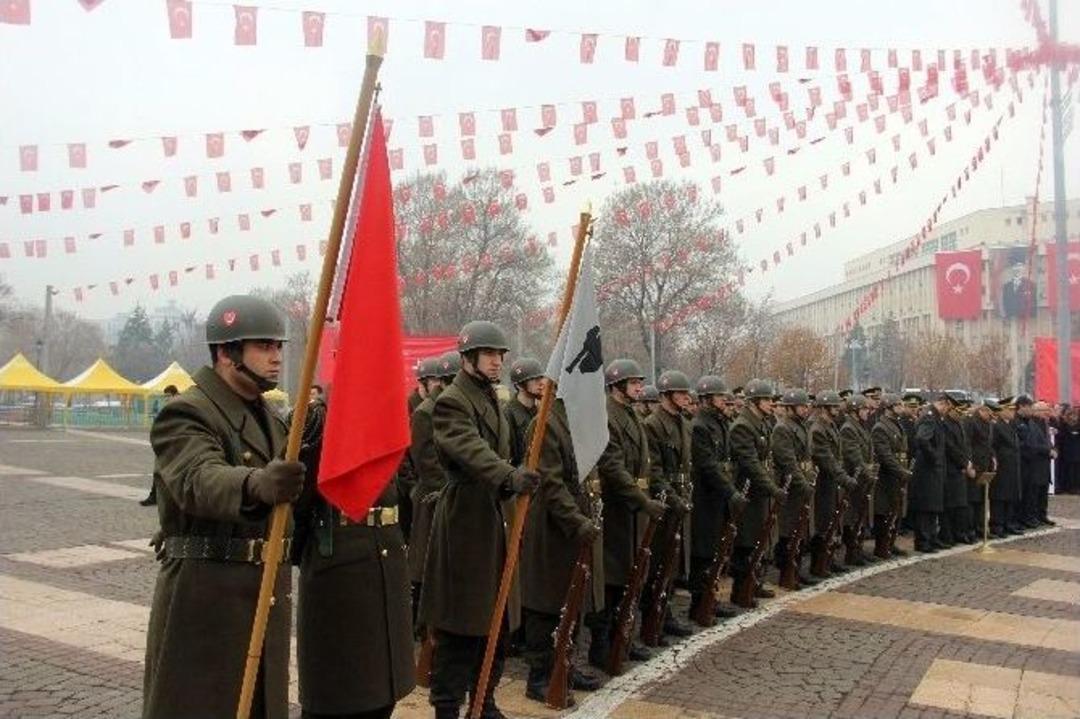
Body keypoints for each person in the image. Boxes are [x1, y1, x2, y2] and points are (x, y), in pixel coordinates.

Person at [143, 295, 303, 719]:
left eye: (278, 346)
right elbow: (197, 478)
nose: (276, 357)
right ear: (227, 353)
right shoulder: (187, 412)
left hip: (262, 594)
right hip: (207, 596)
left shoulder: (271, 416)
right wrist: (257, 483)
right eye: (264, 347)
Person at [419, 321, 539, 719]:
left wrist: (521, 473)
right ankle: (448, 707)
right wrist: (508, 475)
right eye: (489, 354)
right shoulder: (452, 400)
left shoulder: (493, 400)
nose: (496, 361)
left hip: (496, 517)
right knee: (460, 623)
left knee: (497, 617)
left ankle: (485, 700)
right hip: (465, 521)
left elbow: (505, 452)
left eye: (500, 355)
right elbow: (469, 449)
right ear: (467, 357)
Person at [292, 390, 415, 719]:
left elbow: (403, 483)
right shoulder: (319, 423)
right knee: (339, 693)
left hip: (385, 562)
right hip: (340, 573)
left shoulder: (384, 422)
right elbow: (298, 508)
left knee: (382, 692)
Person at [521, 393, 604, 705]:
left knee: (573, 598)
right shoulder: (545, 423)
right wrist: (577, 521)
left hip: (574, 521)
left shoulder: (574, 421)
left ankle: (566, 665)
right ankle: (539, 676)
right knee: (546, 602)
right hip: (552, 526)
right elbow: (550, 483)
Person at [591, 359, 665, 666]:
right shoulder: (607, 416)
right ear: (617, 385)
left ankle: (623, 636)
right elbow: (613, 467)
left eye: (639, 382)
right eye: (633, 383)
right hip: (618, 509)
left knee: (630, 579)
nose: (639, 387)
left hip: (634, 508)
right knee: (611, 581)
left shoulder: (630, 415)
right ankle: (602, 645)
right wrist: (641, 501)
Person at [641, 370, 694, 641]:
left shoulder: (682, 423)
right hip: (664, 501)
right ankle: (653, 617)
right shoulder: (653, 424)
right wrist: (674, 499)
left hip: (679, 498)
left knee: (673, 561)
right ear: (667, 395)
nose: (686, 397)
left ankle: (666, 612)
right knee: (660, 562)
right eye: (681, 393)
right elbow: (656, 473)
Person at [407, 352, 459, 625]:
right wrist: (449, 489)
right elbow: (425, 460)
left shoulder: (453, 407)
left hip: (449, 494)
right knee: (424, 563)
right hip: (432, 496)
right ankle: (419, 620)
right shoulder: (426, 412)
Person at [689, 376, 743, 621]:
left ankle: (710, 596)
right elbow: (708, 465)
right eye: (720, 396)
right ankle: (699, 602)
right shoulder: (700, 425)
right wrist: (730, 491)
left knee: (715, 551)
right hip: (706, 497)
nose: (725, 400)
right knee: (703, 552)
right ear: (707, 398)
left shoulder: (719, 422)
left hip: (719, 495)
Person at [729, 379, 784, 609]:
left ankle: (754, 582)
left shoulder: (760, 423)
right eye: (767, 400)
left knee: (758, 540)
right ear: (755, 402)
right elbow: (750, 463)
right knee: (745, 542)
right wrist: (771, 487)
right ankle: (741, 590)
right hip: (748, 492)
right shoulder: (743, 426)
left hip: (760, 492)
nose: (772, 404)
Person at [770, 388, 819, 589]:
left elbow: (806, 458)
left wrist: (811, 476)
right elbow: (789, 462)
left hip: (802, 485)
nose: (805, 409)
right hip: (791, 488)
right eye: (801, 406)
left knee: (800, 531)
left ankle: (796, 570)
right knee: (789, 532)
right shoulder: (783, 428)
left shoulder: (801, 426)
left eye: (806, 406)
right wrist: (803, 483)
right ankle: (787, 572)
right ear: (790, 408)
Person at [808, 391, 858, 577]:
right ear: (824, 408)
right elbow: (826, 459)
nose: (838, 409)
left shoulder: (829, 426)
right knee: (822, 524)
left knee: (830, 523)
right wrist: (844, 478)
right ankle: (818, 565)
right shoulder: (818, 429)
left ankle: (828, 561)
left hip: (831, 482)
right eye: (834, 406)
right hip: (822, 482)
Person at [870, 393, 911, 559]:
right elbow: (885, 455)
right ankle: (881, 546)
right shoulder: (881, 427)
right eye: (898, 405)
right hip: (887, 476)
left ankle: (890, 542)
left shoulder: (896, 424)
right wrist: (900, 471)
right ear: (888, 407)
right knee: (884, 512)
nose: (901, 408)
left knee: (895, 511)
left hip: (898, 475)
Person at [910, 392, 951, 553]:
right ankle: (923, 541)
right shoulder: (929, 417)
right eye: (947, 407)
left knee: (933, 505)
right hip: (927, 470)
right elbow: (922, 439)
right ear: (943, 403)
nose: (947, 411)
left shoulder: (935, 417)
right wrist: (934, 457)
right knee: (926, 507)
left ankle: (931, 538)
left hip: (933, 470)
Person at [839, 395, 877, 566]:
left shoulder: (860, 427)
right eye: (863, 409)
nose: (867, 412)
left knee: (859, 515)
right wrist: (867, 471)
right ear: (854, 411)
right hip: (854, 477)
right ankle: (851, 551)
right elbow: (854, 456)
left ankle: (857, 549)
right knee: (852, 516)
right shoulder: (849, 428)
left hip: (863, 478)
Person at [940, 391, 974, 546]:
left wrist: (967, 461)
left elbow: (964, 446)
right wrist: (964, 464)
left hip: (959, 469)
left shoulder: (958, 424)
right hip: (950, 470)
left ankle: (957, 533)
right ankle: (947, 535)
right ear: (951, 409)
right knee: (949, 505)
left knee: (959, 505)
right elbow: (950, 448)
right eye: (958, 412)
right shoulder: (945, 424)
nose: (961, 415)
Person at [140, 384, 181, 507]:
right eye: (165, 397)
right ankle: (155, 496)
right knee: (159, 470)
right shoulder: (173, 405)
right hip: (169, 443)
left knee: (171, 471)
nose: (166, 399)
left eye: (168, 396)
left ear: (174, 394)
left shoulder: (181, 406)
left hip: (177, 445)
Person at [990, 398, 1024, 537]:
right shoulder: (996, 426)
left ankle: (1008, 523)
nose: (1012, 413)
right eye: (1010, 410)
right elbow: (992, 445)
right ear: (1002, 411)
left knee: (1010, 496)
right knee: (1000, 497)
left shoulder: (1011, 425)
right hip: (1002, 467)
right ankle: (997, 525)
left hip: (1012, 466)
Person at [965, 399, 997, 541]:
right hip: (975, 466)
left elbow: (989, 444)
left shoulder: (988, 424)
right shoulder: (971, 422)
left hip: (985, 465)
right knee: (973, 499)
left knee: (983, 499)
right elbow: (968, 444)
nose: (991, 416)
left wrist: (993, 457)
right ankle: (970, 529)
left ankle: (981, 528)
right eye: (989, 412)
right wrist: (969, 463)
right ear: (982, 410)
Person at [1019, 400, 1055, 527]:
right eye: (1044, 410)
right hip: (1035, 462)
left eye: (1047, 410)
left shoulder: (1045, 423)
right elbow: (1032, 444)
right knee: (1034, 493)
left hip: (1045, 463)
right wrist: (1047, 450)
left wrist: (1052, 449)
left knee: (1043, 491)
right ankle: (1032, 516)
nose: (1047, 413)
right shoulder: (1031, 423)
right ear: (1037, 411)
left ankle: (1042, 514)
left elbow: (1047, 441)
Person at [505, 357, 546, 467]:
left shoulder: (542, 409)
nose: (541, 383)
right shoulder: (508, 415)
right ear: (519, 385)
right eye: (535, 379)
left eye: (541, 378)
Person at [1059, 406, 1080, 495]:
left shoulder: (1079, 426)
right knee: (1069, 470)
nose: (1073, 417)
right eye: (1071, 415)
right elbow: (1061, 438)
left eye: (1075, 416)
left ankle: (1077, 486)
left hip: (1077, 450)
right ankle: (1069, 487)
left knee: (1077, 470)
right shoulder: (1064, 426)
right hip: (1068, 451)